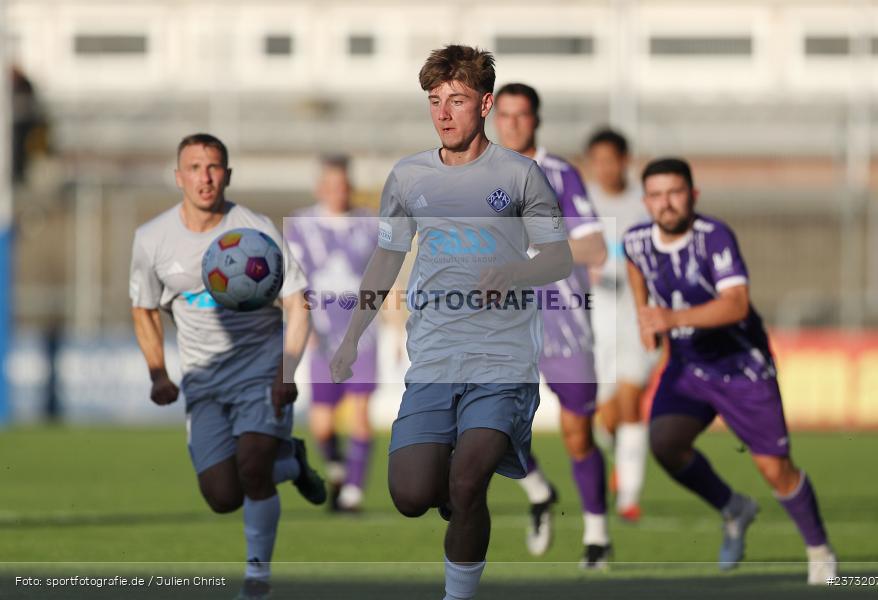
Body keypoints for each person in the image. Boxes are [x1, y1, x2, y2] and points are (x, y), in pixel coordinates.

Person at [330, 45, 572, 600]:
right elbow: (386, 257)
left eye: (457, 100)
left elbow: (558, 257)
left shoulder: (519, 175)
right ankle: (456, 503)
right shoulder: (408, 176)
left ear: (484, 104)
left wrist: (514, 269)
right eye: (435, 101)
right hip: (434, 359)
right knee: (413, 496)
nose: (443, 112)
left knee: (468, 483)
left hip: (502, 361)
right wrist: (351, 337)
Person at [130, 133, 326, 600]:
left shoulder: (254, 230)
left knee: (253, 466)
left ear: (228, 174)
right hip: (203, 382)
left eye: (214, 166)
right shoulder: (152, 238)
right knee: (222, 496)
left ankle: (257, 579)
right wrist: (158, 372)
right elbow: (144, 308)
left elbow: (299, 302)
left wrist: (286, 371)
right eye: (195, 167)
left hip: (259, 373)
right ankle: (293, 462)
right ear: (179, 177)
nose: (205, 176)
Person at [623, 157, 837, 583]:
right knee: (664, 442)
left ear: (693, 196)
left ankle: (820, 551)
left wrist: (670, 319)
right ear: (645, 201)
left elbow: (736, 304)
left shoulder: (714, 236)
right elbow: (636, 271)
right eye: (656, 195)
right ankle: (733, 508)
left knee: (775, 468)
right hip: (687, 366)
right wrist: (645, 319)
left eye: (675, 192)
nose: (666, 203)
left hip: (740, 366)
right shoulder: (636, 240)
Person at [493, 83, 612, 568]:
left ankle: (597, 535)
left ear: (536, 121)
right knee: (490, 426)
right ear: (492, 118)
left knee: (577, 434)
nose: (513, 123)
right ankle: (540, 492)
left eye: (522, 115)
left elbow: (595, 248)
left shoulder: (560, 173)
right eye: (505, 115)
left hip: (562, 320)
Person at [284, 156, 378, 512]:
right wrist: (300, 320)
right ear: (319, 188)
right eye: (332, 185)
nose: (339, 192)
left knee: (361, 414)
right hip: (320, 333)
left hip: (361, 335)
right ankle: (338, 469)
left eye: (344, 185)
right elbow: (291, 279)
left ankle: (353, 493)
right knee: (321, 422)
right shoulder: (302, 225)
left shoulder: (369, 224)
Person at [584, 127, 655, 522]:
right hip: (595, 320)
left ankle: (629, 496)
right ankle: (612, 449)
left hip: (635, 315)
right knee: (604, 413)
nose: (605, 168)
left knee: (631, 401)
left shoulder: (644, 205)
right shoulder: (581, 203)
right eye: (598, 162)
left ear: (625, 161)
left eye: (612, 160)